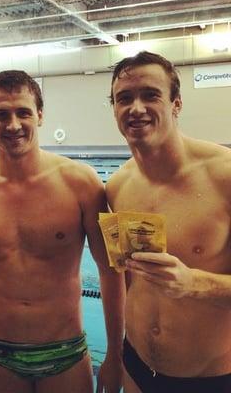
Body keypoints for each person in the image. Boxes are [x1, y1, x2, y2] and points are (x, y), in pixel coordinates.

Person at [0, 70, 125, 393]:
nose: (13, 125)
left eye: (23, 112)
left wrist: (115, 355)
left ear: (40, 114)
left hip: (64, 350)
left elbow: (110, 272)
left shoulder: (80, 183)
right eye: (1, 115)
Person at [107, 51, 231, 393]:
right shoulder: (117, 186)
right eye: (124, 98)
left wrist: (193, 283)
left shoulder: (224, 176)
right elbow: (126, 279)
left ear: (176, 103)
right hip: (136, 366)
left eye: (150, 95)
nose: (136, 108)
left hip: (210, 379)